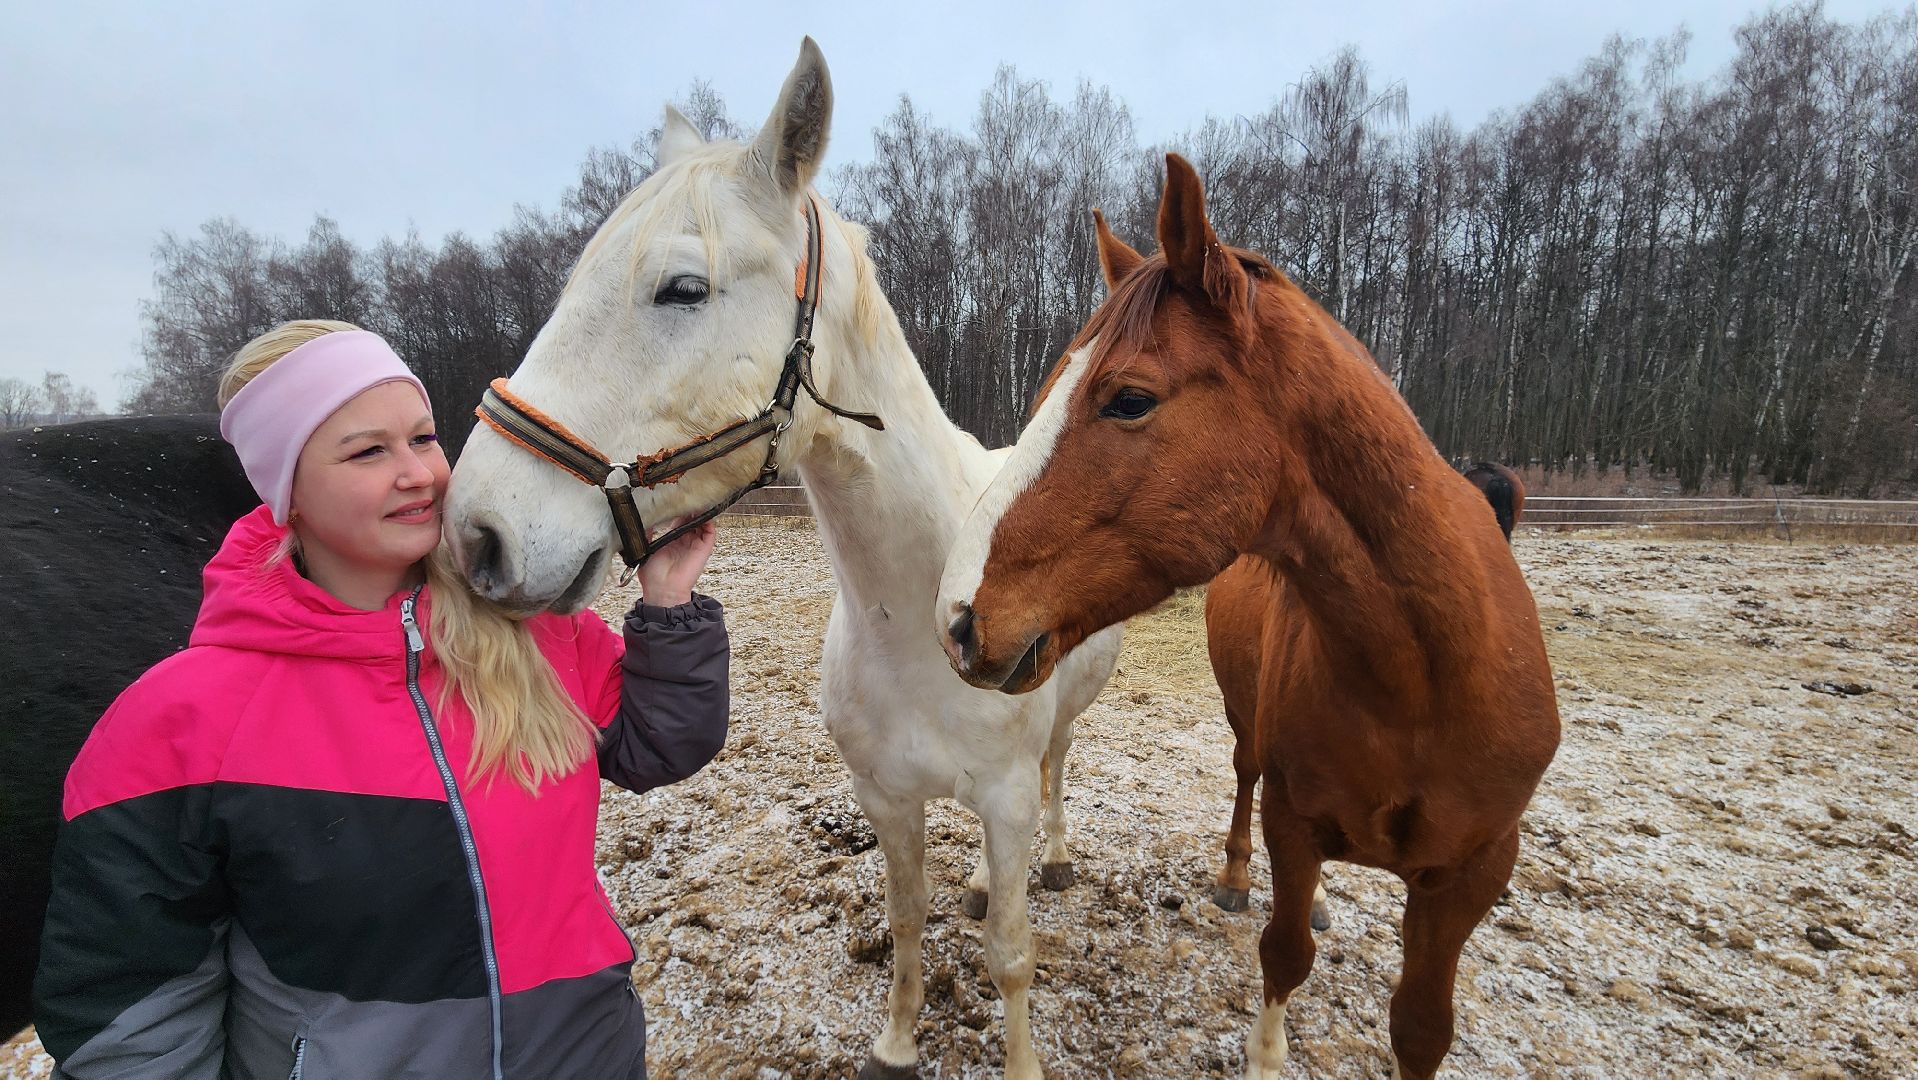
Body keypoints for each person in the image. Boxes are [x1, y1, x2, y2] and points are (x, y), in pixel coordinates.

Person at [32, 320, 728, 1079]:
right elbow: (133, 1010)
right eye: (369, 451)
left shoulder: (538, 634)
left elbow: (661, 744)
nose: (420, 474)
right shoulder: (179, 720)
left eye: (424, 439)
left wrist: (668, 603)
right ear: (284, 492)